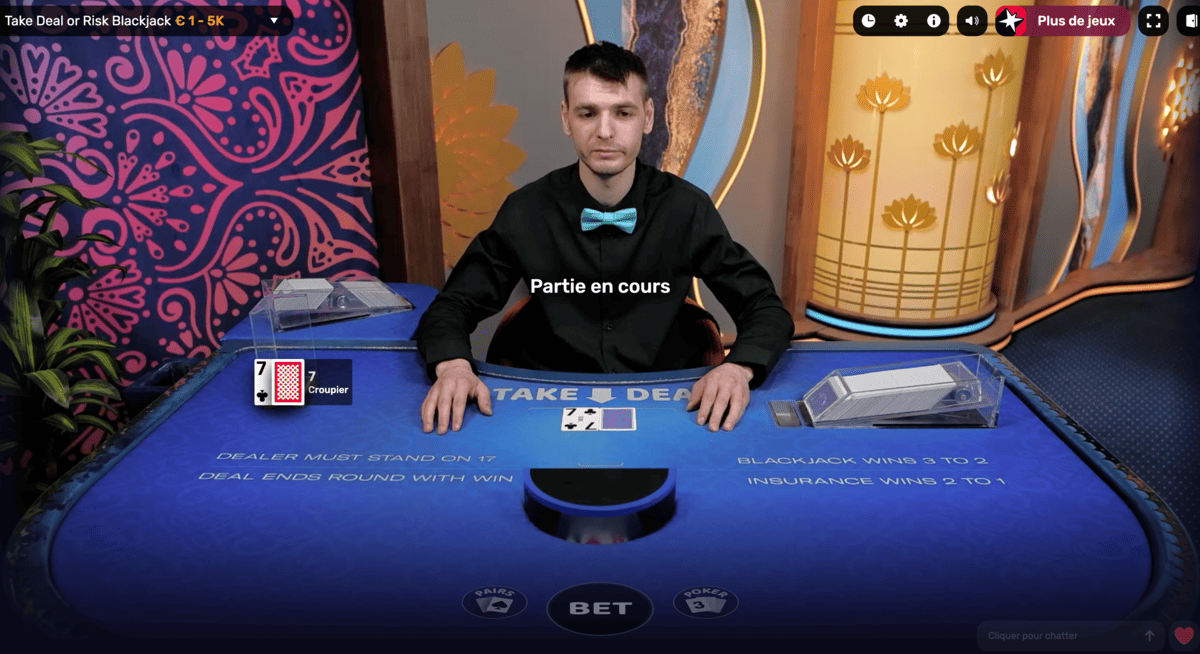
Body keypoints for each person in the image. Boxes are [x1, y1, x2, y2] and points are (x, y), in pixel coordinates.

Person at [416, 41, 793, 435]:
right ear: (566, 118)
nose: (605, 131)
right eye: (587, 113)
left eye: (623, 112)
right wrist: (454, 366)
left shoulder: (687, 209)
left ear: (648, 116)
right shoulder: (526, 210)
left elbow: (763, 307)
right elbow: (452, 306)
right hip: (546, 406)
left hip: (670, 405)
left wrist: (737, 369)